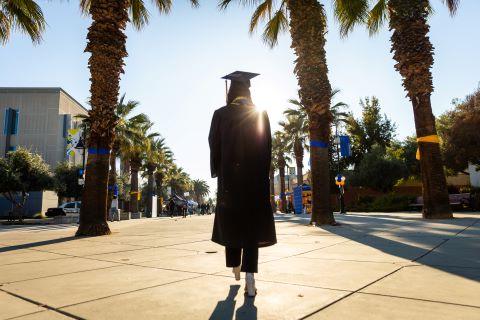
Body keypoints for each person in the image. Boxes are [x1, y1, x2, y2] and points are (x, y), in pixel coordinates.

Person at [209, 71, 277, 297]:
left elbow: (214, 144)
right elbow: (267, 146)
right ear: (248, 91)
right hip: (255, 180)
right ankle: (250, 278)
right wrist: (263, 174)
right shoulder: (260, 113)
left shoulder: (220, 114)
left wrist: (219, 170)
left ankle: (235, 266)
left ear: (231, 92)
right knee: (252, 226)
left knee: (232, 220)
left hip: (230, 180)